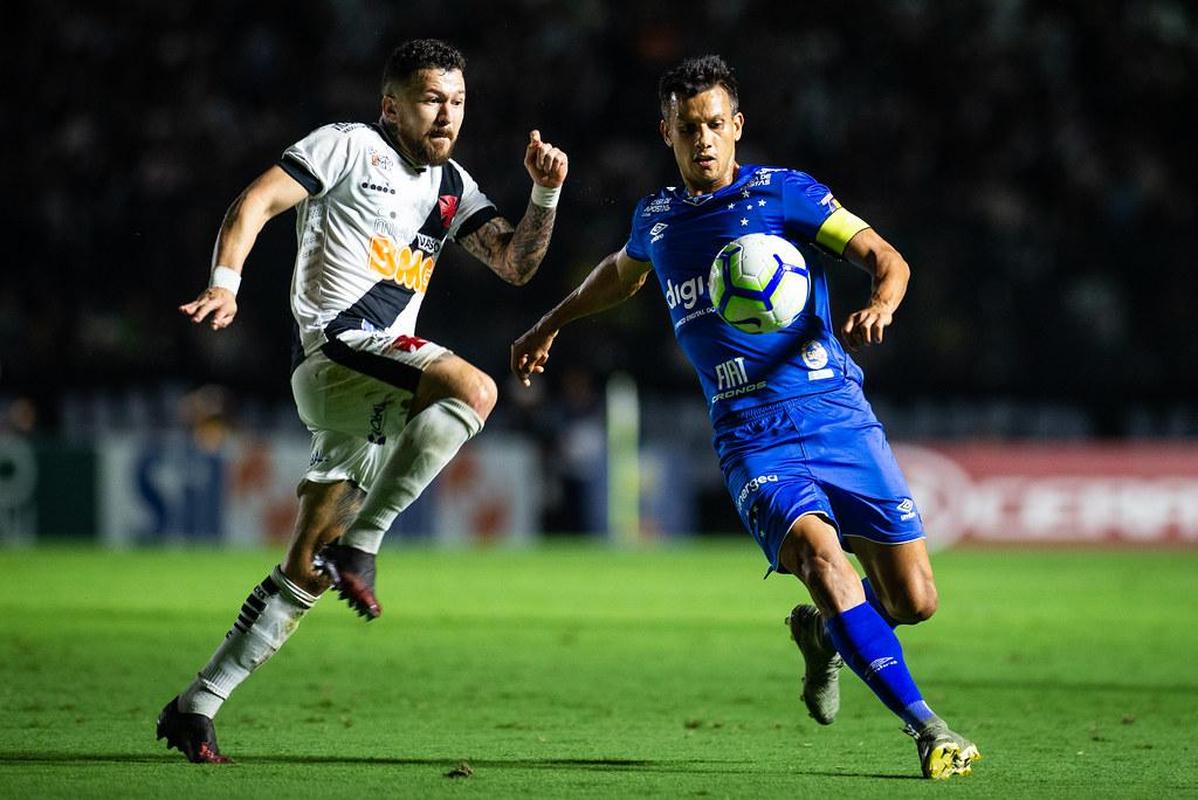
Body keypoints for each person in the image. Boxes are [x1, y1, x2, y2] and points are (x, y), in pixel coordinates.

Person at [511, 55, 980, 780]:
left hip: (837, 416)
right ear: (665, 130)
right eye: (687, 126)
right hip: (751, 437)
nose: (703, 139)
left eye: (715, 124)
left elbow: (886, 256)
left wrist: (881, 304)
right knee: (825, 564)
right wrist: (550, 323)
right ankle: (929, 727)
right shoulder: (657, 218)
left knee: (914, 601)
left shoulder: (786, 196)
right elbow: (620, 274)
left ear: (737, 126)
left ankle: (825, 639)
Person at [157, 38, 568, 764]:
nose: (447, 115)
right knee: (475, 389)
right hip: (337, 346)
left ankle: (197, 705)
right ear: (392, 105)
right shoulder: (346, 147)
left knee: (306, 565)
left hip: (369, 380)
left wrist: (544, 193)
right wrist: (227, 282)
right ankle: (368, 542)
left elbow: (513, 263)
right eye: (431, 99)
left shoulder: (454, 188)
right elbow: (254, 203)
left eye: (458, 102)